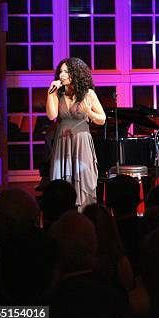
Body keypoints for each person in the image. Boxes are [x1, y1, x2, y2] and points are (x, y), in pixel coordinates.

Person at [46, 57, 106, 209]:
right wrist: (50, 93)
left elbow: (102, 119)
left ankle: (84, 217)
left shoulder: (88, 94)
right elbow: (52, 115)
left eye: (67, 71)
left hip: (81, 142)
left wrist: (89, 113)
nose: (62, 75)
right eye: (61, 71)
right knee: (61, 182)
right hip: (63, 143)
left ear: (76, 74)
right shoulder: (57, 94)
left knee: (83, 180)